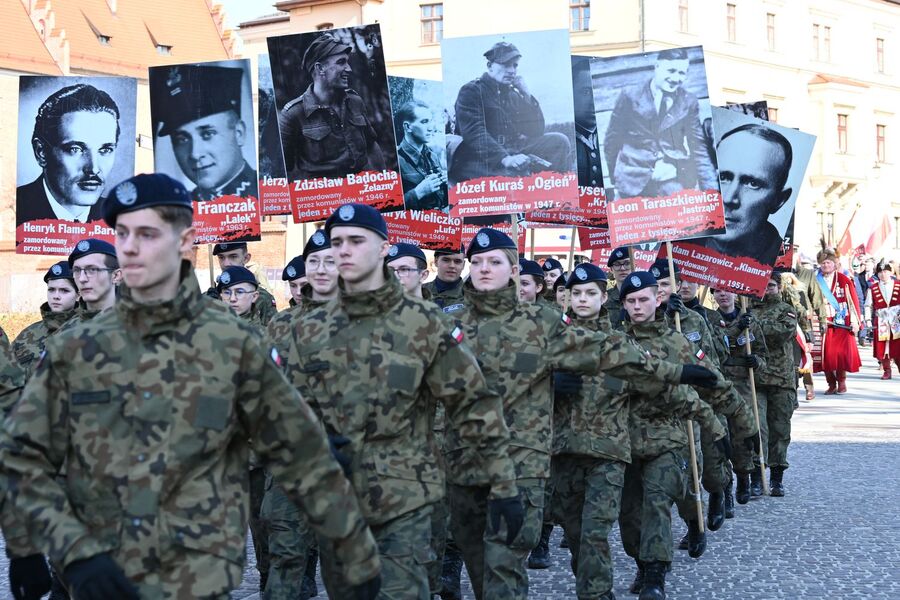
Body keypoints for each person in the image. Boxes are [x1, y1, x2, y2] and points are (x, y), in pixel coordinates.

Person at [0, 173, 382, 598]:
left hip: (199, 577)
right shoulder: (76, 347)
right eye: (122, 233)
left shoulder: (233, 343)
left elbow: (300, 452)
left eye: (147, 233)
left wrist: (356, 556)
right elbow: (21, 455)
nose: (128, 247)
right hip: (99, 574)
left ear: (186, 241)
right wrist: (49, 548)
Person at [444, 228, 720, 600]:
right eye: (476, 262)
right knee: (479, 568)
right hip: (462, 466)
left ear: (513, 271)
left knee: (505, 565)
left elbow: (607, 351)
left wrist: (676, 371)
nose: (484, 269)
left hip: (520, 465)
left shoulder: (541, 324)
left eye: (494, 261)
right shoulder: (447, 325)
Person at [281, 204, 521, 599]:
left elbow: (473, 405)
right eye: (338, 242)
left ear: (383, 249)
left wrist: (503, 485)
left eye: (356, 241)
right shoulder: (309, 329)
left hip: (404, 498)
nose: (344, 251)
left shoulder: (423, 322)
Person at [616, 271, 725, 600]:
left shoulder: (679, 335)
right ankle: (641, 560)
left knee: (658, 502)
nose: (637, 306)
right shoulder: (614, 340)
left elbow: (708, 375)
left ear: (657, 299)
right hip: (627, 439)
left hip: (670, 434)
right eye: (631, 301)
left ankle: (655, 573)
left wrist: (724, 419)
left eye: (643, 299)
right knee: (630, 515)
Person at [263, 228, 338, 600]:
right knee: (285, 554)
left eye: (331, 261)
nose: (321, 269)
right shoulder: (281, 325)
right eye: (314, 262)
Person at [550, 263, 632, 600]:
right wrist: (548, 382)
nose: (583, 299)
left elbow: (646, 380)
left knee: (594, 532)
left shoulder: (619, 342)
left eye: (590, 293)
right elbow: (516, 377)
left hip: (606, 453)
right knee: (574, 533)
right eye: (576, 293)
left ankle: (596, 594)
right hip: (563, 452)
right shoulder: (551, 339)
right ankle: (594, 585)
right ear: (567, 296)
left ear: (604, 296)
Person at [603, 48, 717, 199]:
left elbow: (699, 149)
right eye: (671, 70)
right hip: (631, 183)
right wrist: (617, 178)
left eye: (682, 73)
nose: (676, 78)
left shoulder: (689, 102)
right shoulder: (630, 96)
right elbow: (612, 141)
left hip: (672, 180)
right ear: (657, 67)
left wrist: (711, 193)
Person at [449, 41, 570, 184]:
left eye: (515, 65)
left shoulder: (512, 93)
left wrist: (527, 96)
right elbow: (475, 133)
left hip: (511, 151)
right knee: (512, 175)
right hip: (479, 158)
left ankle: (555, 193)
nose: (512, 70)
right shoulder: (472, 91)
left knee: (559, 141)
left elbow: (536, 131)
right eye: (506, 64)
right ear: (490, 66)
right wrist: (505, 158)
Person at [277, 33, 386, 180]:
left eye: (347, 62)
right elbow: (282, 168)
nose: (349, 69)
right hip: (324, 196)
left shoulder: (354, 101)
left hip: (361, 189)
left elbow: (371, 146)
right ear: (320, 68)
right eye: (341, 62)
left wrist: (382, 180)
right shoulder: (293, 114)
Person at [16, 84, 120, 226]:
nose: (94, 168)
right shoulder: (12, 210)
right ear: (41, 152)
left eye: (105, 150)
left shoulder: (119, 217)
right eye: (75, 149)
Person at [151, 64, 258, 201]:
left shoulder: (266, 193)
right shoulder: (176, 209)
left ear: (239, 133)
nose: (195, 154)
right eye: (182, 140)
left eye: (207, 134)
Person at [706, 288, 769, 502]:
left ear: (736, 295)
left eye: (728, 291)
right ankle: (725, 487)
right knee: (723, 436)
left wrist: (757, 362)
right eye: (718, 292)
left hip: (743, 383)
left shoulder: (750, 320)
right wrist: (735, 331)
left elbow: (763, 353)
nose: (723, 295)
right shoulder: (709, 319)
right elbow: (715, 347)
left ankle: (745, 477)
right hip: (721, 382)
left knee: (744, 434)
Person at [700, 125, 794, 265]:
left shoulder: (778, 265)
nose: (728, 198)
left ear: (779, 200)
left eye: (752, 184)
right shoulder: (678, 249)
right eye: (723, 178)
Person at [751, 272, 800, 497]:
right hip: (755, 379)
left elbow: (780, 332)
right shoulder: (747, 309)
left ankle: (777, 477)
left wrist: (753, 327)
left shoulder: (787, 310)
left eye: (770, 286)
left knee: (780, 430)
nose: (766, 290)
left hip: (782, 380)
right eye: (762, 287)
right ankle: (756, 476)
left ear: (779, 288)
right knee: (757, 428)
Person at [11, 261, 79, 377]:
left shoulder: (89, 331)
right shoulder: (28, 334)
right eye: (51, 289)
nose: (56, 296)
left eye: (64, 290)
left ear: (78, 294)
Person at [813, 247, 862, 394]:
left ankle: (841, 381)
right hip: (823, 322)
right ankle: (831, 383)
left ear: (834, 264)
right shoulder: (816, 281)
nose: (825, 266)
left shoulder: (844, 279)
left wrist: (855, 322)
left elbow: (853, 302)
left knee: (840, 354)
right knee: (826, 355)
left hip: (842, 323)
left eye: (828, 262)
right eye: (823, 263)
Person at [396, 100, 447, 210]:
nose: (431, 128)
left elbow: (443, 201)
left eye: (431, 121)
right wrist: (418, 192)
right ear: (408, 127)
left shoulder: (432, 156)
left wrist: (447, 183)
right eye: (424, 122)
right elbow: (387, 208)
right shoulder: (396, 160)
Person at [210, 242, 278, 324]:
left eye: (233, 257)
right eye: (221, 257)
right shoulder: (210, 296)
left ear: (246, 258)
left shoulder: (262, 297)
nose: (226, 263)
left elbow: (273, 333)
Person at [64, 238, 121, 327]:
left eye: (92, 270)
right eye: (77, 270)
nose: (82, 279)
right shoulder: (64, 334)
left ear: (116, 276)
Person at [865, 260, 900, 379]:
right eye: (880, 272)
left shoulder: (898, 285)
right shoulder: (873, 288)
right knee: (884, 346)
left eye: (885, 271)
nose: (882, 274)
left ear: (891, 272)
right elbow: (867, 305)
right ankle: (887, 370)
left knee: (898, 345)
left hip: (897, 319)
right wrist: (868, 320)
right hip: (881, 320)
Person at [571, 55, 602, 188]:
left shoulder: (613, 140)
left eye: (597, 92)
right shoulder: (565, 142)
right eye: (586, 92)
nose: (594, 101)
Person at [605, 246, 632, 330]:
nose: (622, 268)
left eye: (627, 263)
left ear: (634, 265)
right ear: (611, 269)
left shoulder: (643, 297)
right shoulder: (604, 299)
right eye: (617, 264)